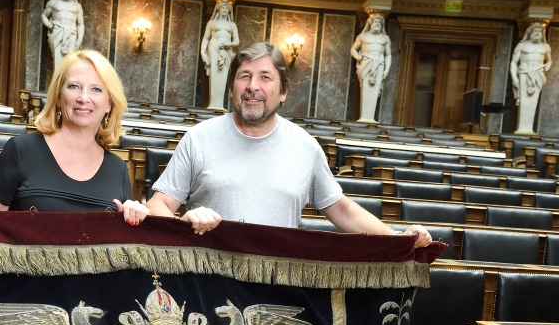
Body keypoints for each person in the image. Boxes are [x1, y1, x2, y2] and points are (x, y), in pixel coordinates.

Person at [145, 42, 432, 248]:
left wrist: (397, 239)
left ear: (283, 92)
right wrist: (185, 219)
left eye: (265, 77)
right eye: (244, 76)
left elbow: (342, 210)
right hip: (206, 280)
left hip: (276, 287)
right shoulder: (199, 138)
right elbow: (158, 204)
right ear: (233, 87)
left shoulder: (305, 147)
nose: (252, 86)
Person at [0, 49, 149, 232]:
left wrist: (135, 217)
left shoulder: (118, 168)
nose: (83, 98)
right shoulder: (21, 150)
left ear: (109, 104)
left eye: (96, 89)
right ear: (58, 97)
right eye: (74, 86)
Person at [511, 23, 552, 134]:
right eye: (535, 31)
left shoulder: (545, 47)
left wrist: (547, 67)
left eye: (539, 31)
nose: (537, 33)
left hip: (538, 73)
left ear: (542, 34)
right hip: (524, 72)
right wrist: (514, 78)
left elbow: (549, 60)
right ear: (529, 33)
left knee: (533, 100)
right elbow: (514, 63)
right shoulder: (522, 45)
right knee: (525, 100)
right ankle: (523, 129)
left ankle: (528, 129)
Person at [351, 14, 391, 123]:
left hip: (379, 64)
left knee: (375, 89)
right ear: (370, 23)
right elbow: (353, 49)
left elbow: (388, 55)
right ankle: (364, 118)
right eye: (375, 22)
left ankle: (370, 119)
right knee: (365, 87)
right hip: (366, 63)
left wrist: (387, 70)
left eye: (379, 23)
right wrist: (359, 57)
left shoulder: (385, 38)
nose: (377, 24)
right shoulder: (363, 36)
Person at [201, 0, 240, 110]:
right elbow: (206, 38)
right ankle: (212, 105)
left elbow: (236, 40)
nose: (224, 10)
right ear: (218, 9)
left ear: (229, 11)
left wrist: (229, 44)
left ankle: (219, 106)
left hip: (226, 51)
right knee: (214, 75)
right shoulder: (212, 23)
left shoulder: (232, 25)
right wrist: (203, 53)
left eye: (226, 8)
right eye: (222, 8)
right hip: (213, 48)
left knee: (222, 77)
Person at [42, 0, 85, 77]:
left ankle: (68, 83)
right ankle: (57, 85)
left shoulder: (77, 6)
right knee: (58, 61)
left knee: (70, 62)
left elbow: (80, 24)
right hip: (58, 32)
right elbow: (44, 16)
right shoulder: (53, 3)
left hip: (71, 34)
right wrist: (49, 25)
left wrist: (79, 40)